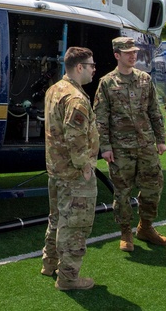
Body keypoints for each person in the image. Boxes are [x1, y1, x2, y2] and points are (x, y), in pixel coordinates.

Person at [93, 36, 166, 253]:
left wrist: (160, 139)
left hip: (145, 145)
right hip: (120, 149)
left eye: (134, 52)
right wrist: (105, 147)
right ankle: (126, 231)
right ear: (117, 55)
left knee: (153, 187)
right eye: (128, 53)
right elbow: (101, 117)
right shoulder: (107, 83)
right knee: (122, 193)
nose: (133, 56)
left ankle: (146, 226)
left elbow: (154, 110)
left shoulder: (145, 79)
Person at [41, 46, 99, 291]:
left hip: (56, 169)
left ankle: (49, 262)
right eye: (91, 66)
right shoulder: (75, 98)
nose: (94, 70)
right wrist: (84, 166)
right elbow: (75, 137)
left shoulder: (55, 89)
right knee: (75, 224)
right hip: (72, 172)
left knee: (56, 218)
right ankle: (68, 278)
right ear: (79, 67)